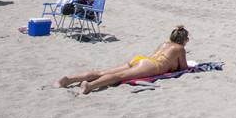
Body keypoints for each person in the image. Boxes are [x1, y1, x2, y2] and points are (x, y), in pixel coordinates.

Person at [54, 25, 190, 95]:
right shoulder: (180, 48)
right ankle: (89, 86)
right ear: (184, 40)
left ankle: (69, 79)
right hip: (152, 65)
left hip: (140, 59)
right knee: (118, 77)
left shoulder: (164, 44)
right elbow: (184, 68)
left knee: (103, 72)